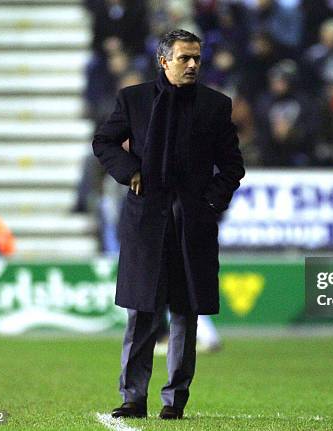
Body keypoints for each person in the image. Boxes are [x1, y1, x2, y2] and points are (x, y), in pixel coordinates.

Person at [92, 29, 244, 420]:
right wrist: (130, 172)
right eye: (184, 58)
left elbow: (232, 167)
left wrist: (209, 201)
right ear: (164, 61)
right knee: (141, 311)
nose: (193, 64)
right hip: (146, 221)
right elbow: (104, 142)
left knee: (184, 311)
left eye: (197, 58)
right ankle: (132, 397)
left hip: (191, 223)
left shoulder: (215, 105)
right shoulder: (134, 99)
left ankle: (174, 400)